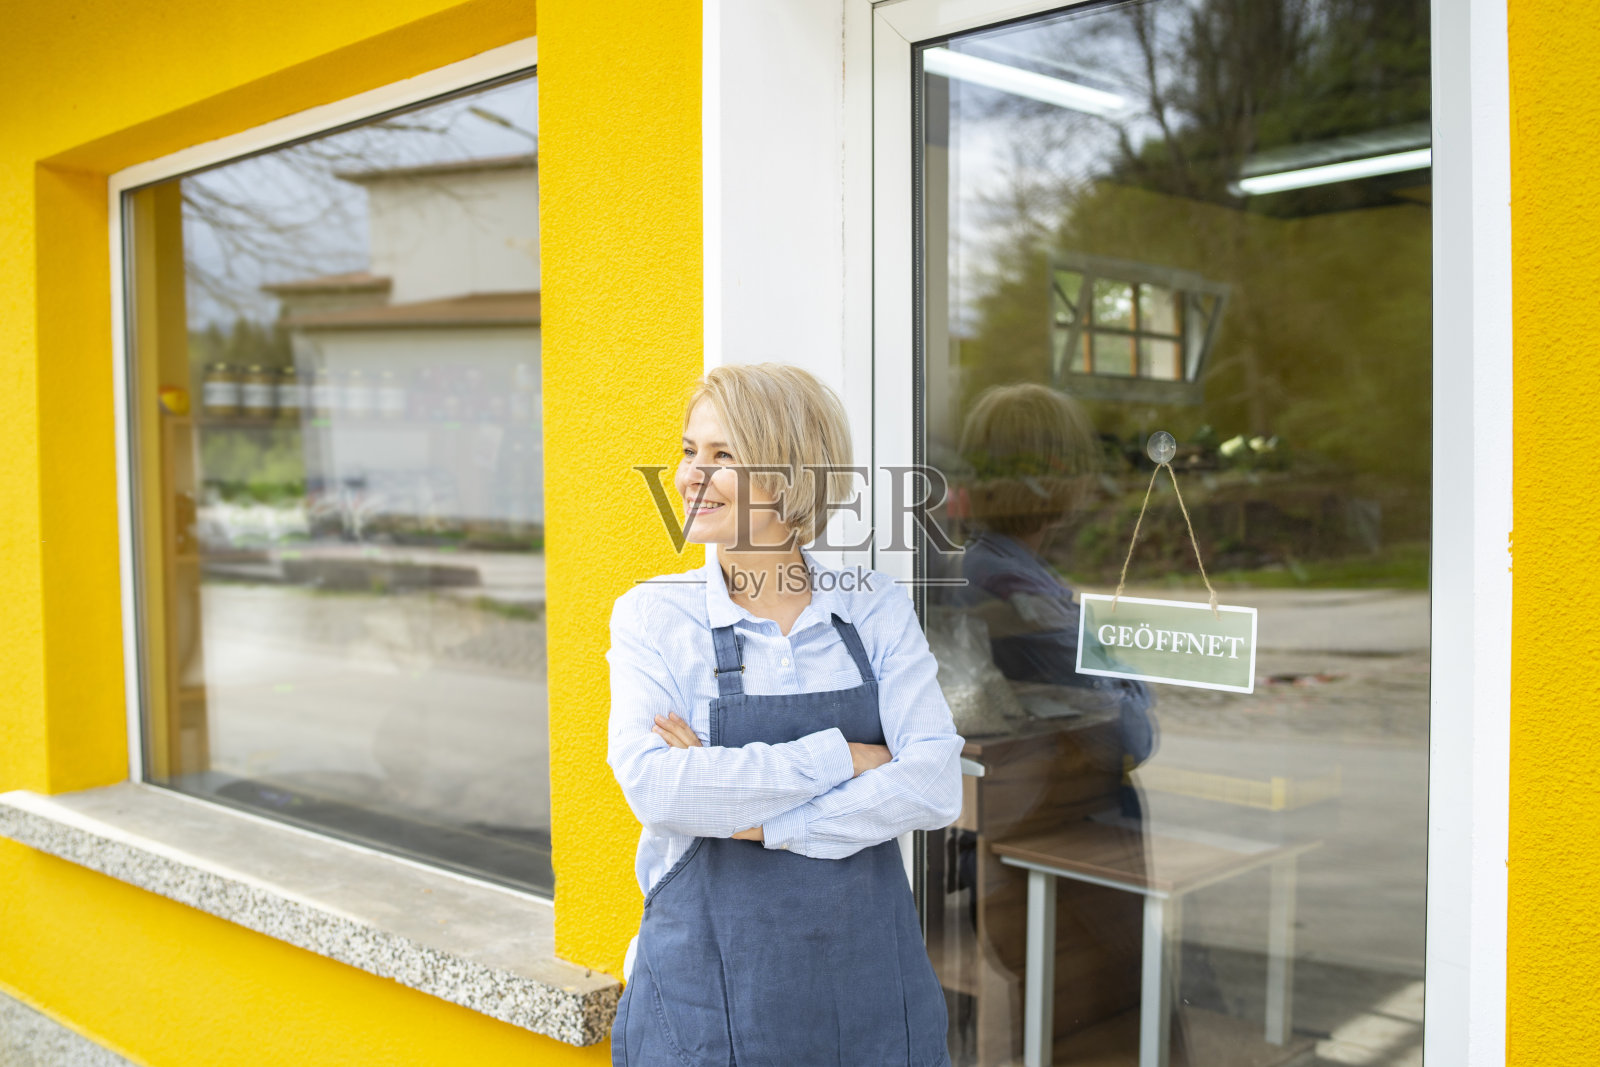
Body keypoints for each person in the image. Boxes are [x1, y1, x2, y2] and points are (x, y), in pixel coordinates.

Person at [606, 361, 965, 1067]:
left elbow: (933, 782)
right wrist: (847, 757)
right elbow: (656, 786)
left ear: (791, 475)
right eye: (687, 451)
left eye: (722, 455)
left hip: (867, 999)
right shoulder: (654, 614)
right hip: (704, 1009)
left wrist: (759, 819)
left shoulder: (873, 605)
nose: (688, 476)